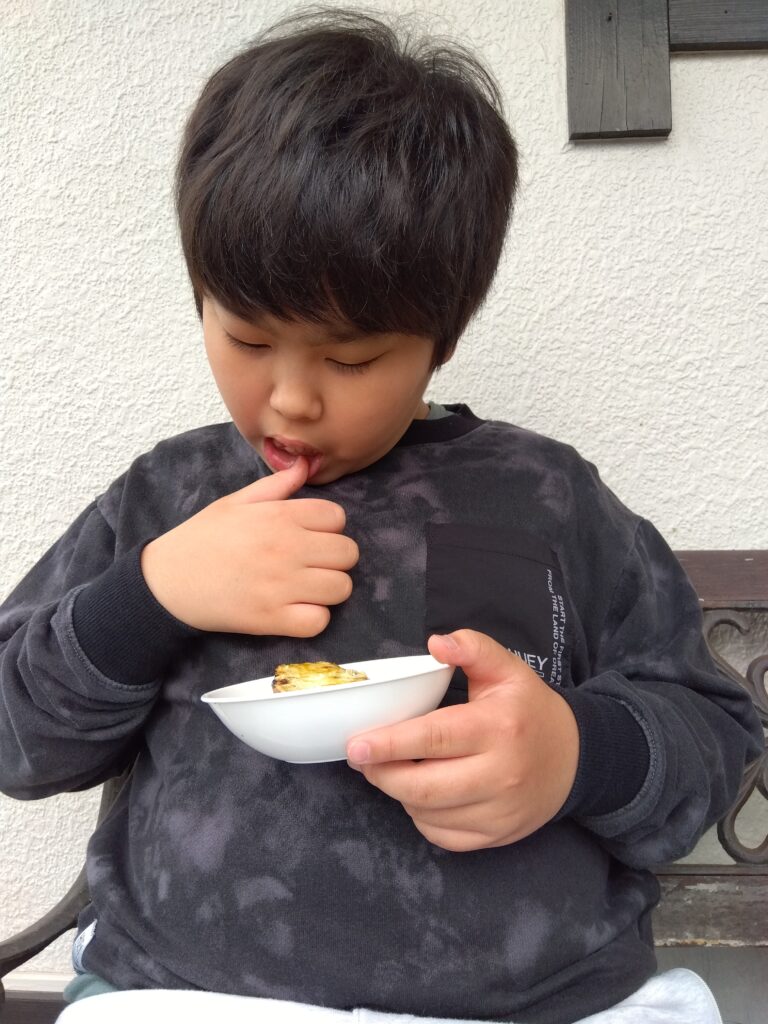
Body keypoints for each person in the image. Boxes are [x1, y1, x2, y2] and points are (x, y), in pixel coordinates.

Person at [0, 9, 762, 1024]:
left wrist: (578, 754)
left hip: (540, 1002)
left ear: (440, 338)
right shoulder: (169, 495)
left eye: (351, 359)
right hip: (187, 993)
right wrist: (149, 595)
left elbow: (713, 730)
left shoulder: (547, 493)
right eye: (246, 339)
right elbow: (15, 737)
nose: (290, 399)